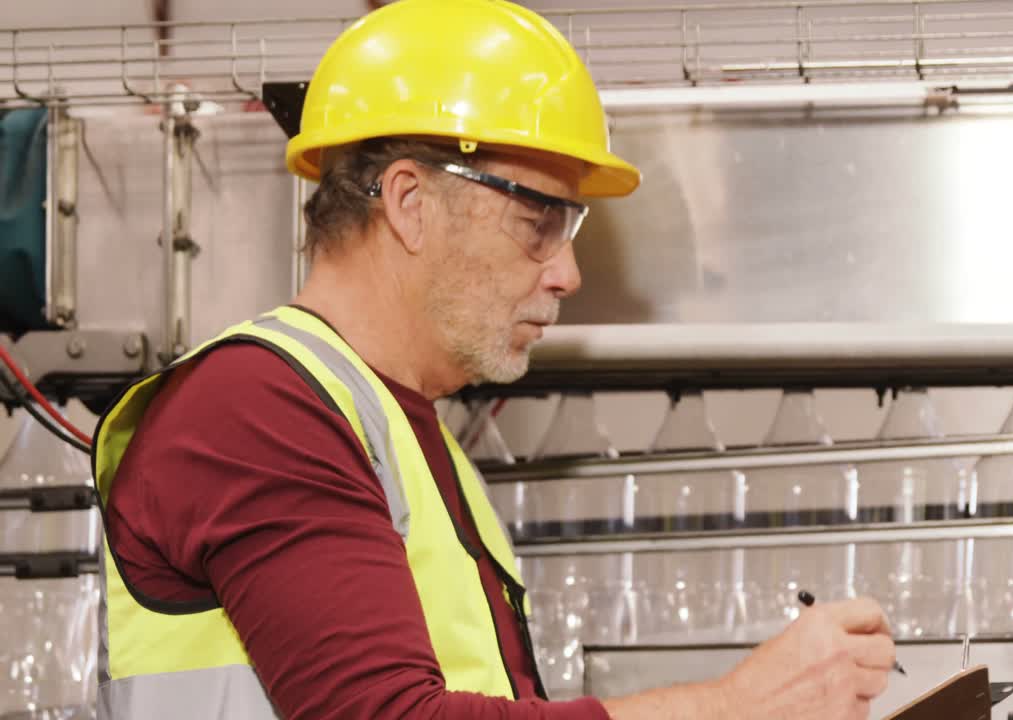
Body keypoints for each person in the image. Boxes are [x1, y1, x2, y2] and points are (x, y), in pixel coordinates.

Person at [91, 1, 896, 718]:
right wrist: (736, 707)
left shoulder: (418, 445)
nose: (568, 273)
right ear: (410, 203)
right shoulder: (256, 406)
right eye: (537, 219)